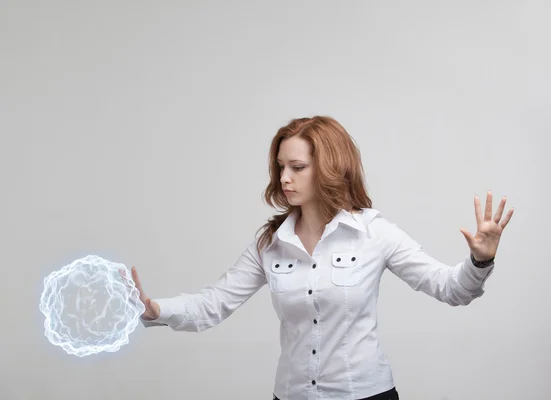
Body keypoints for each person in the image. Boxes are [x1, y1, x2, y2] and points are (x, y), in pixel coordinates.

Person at [130, 116, 514, 400]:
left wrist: (479, 261)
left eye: (297, 167)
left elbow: (450, 289)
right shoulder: (270, 243)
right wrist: (154, 309)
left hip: (364, 395)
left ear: (330, 168)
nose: (284, 177)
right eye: (281, 166)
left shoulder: (373, 233)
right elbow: (213, 304)